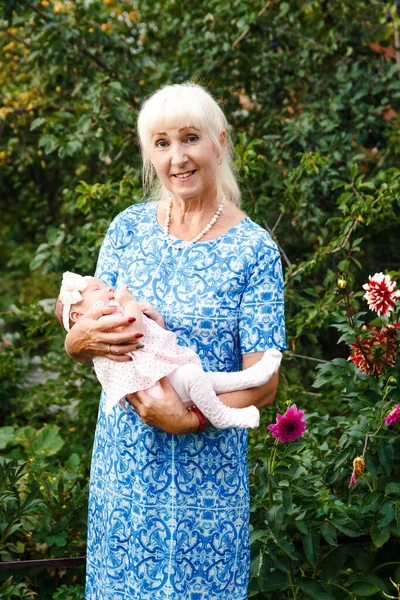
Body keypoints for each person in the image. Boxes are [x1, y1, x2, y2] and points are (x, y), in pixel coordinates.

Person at [64, 82, 286, 599]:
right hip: (124, 476)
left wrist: (187, 419)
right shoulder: (127, 230)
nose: (178, 157)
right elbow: (90, 326)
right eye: (161, 143)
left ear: (220, 142)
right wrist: (78, 342)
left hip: (205, 488)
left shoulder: (254, 250)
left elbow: (265, 382)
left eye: (191, 138)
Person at [56, 272, 282, 427]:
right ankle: (221, 416)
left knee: (208, 380)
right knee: (195, 377)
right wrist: (128, 302)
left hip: (160, 378)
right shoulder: (103, 319)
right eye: (98, 288)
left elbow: (154, 342)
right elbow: (136, 331)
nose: (109, 288)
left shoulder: (108, 314)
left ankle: (254, 376)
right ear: (78, 315)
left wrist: (156, 321)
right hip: (154, 390)